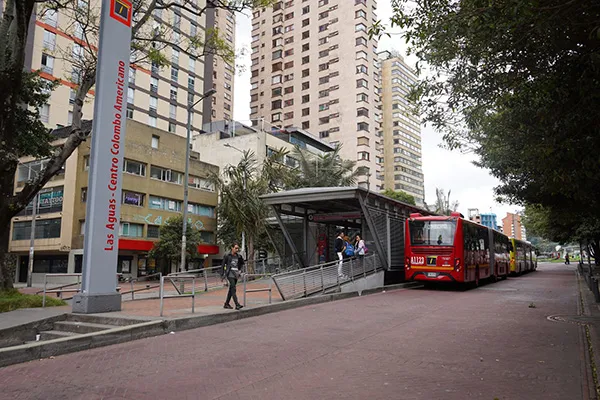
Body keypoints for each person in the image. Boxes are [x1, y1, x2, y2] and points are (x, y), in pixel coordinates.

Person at [221, 243, 244, 310]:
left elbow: (242, 263)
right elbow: (223, 265)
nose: (237, 249)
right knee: (233, 288)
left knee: (231, 289)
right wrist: (222, 274)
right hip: (229, 273)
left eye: (238, 248)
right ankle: (237, 304)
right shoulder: (227, 255)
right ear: (232, 248)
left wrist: (240, 270)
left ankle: (226, 304)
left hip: (236, 274)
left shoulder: (239, 256)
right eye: (236, 248)